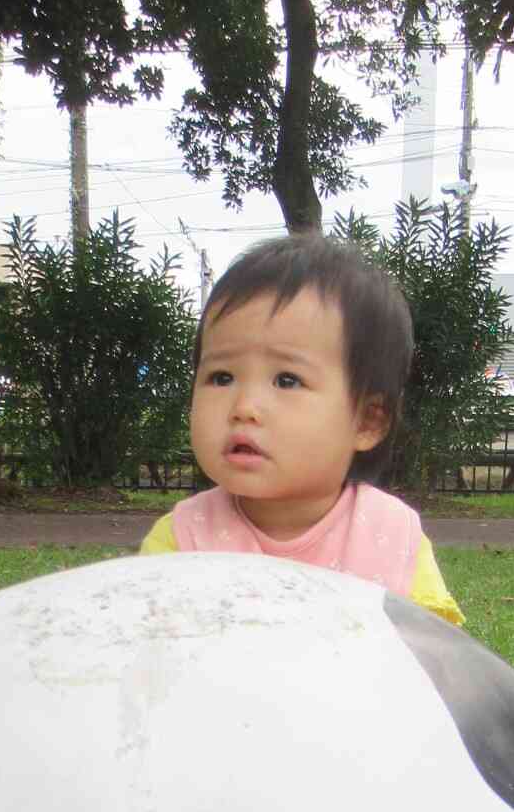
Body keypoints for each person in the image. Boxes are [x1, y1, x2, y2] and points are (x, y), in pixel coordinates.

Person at [141, 235, 464, 625]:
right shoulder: (181, 539)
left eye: (287, 380)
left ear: (367, 421)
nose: (244, 408)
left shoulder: (393, 538)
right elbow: (146, 656)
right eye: (221, 376)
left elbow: (433, 661)